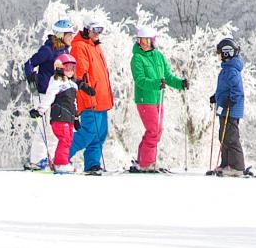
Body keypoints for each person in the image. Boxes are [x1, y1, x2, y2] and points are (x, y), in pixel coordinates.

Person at [128, 25, 188, 174]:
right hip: (145, 99)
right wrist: (156, 84)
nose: (145, 43)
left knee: (157, 130)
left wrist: (180, 83)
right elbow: (140, 80)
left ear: (153, 41)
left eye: (148, 40)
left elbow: (167, 77)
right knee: (154, 130)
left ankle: (142, 159)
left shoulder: (158, 56)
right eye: (142, 40)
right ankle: (147, 162)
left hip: (158, 99)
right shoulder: (137, 58)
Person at [21, 19, 77, 170]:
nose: (71, 37)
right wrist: (31, 77)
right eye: (69, 34)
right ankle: (37, 161)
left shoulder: (65, 51)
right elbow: (29, 64)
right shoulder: (48, 50)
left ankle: (50, 159)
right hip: (42, 93)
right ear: (60, 34)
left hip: (56, 94)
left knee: (53, 128)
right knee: (44, 127)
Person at [68, 20, 116, 175]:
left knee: (100, 134)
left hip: (102, 98)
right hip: (90, 98)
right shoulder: (80, 46)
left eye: (100, 30)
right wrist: (84, 87)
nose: (97, 33)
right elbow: (79, 72)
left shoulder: (95, 46)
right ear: (87, 29)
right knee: (88, 133)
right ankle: (61, 157)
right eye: (94, 30)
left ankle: (92, 164)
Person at [36, 53, 91, 174]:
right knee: (65, 140)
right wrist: (39, 111)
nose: (70, 71)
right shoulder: (57, 82)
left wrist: (76, 118)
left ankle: (59, 161)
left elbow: (74, 103)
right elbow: (49, 97)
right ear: (60, 68)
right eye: (67, 68)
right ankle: (61, 164)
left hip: (69, 118)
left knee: (69, 140)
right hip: (59, 117)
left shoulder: (72, 84)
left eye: (72, 68)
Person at [209, 37, 251, 177]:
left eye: (220, 52)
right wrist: (216, 96)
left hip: (231, 110)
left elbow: (237, 90)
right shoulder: (226, 69)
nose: (218, 55)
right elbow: (223, 88)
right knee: (224, 137)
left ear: (227, 53)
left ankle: (237, 166)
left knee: (231, 137)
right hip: (223, 108)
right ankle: (226, 164)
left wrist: (231, 100)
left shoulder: (232, 70)